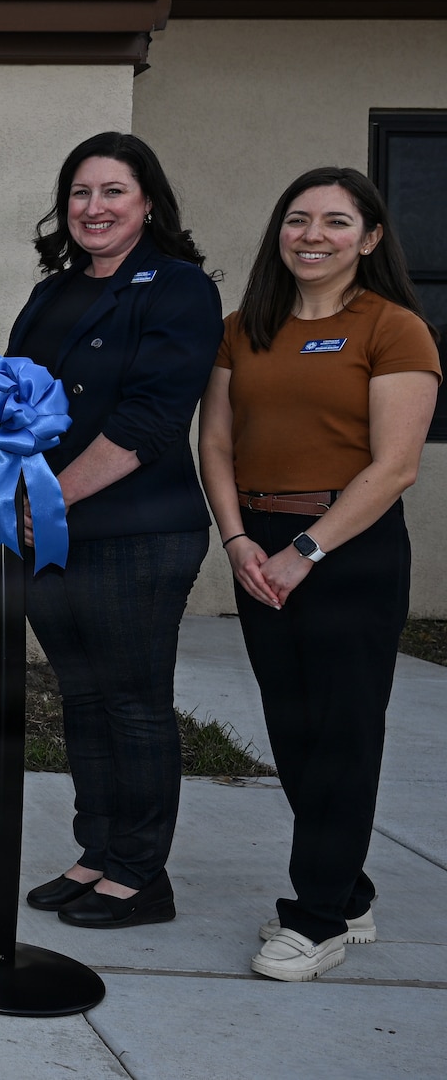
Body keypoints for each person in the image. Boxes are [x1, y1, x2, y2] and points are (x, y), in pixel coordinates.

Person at [198, 167, 438, 983]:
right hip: (257, 543)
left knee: (342, 732)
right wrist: (236, 539)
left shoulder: (394, 328)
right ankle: (351, 886)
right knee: (295, 731)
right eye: (298, 219)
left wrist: (306, 552)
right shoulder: (245, 327)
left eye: (337, 221)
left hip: (348, 546)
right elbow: (217, 444)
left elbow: (395, 466)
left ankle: (319, 917)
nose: (313, 235)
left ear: (370, 238)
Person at [3, 133, 221, 930]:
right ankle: (96, 851)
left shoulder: (179, 288)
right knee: (82, 697)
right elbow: (17, 397)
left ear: (149, 202)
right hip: (49, 529)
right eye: (81, 193)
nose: (94, 208)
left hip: (136, 531)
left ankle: (141, 872)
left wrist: (52, 494)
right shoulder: (53, 290)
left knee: (133, 702)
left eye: (113, 192)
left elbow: (152, 418)